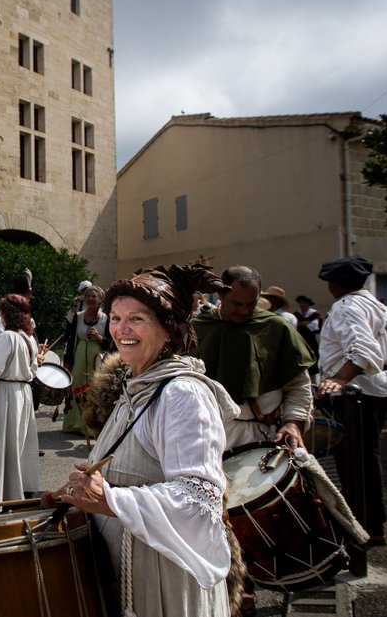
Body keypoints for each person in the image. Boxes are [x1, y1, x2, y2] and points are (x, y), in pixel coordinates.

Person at [60, 264, 240, 617]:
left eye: (136, 319)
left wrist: (110, 498)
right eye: (115, 318)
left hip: (164, 575)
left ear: (168, 328)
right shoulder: (137, 387)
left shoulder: (182, 394)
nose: (121, 329)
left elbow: (198, 499)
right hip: (127, 567)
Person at [190, 267, 314, 614]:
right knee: (209, 514)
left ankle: (253, 583)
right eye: (237, 304)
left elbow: (299, 385)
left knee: (251, 514)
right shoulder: (198, 330)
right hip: (208, 434)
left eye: (250, 304)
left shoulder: (275, 328)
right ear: (221, 295)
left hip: (259, 433)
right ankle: (221, 586)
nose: (245, 311)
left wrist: (293, 423)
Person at [316, 255, 387, 548]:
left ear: (334, 285)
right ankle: (371, 524)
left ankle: (363, 525)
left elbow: (362, 348)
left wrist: (341, 378)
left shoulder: (346, 307)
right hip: (381, 389)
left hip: (356, 394)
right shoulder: (376, 305)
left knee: (354, 463)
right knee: (367, 458)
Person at [0, 294, 41, 511]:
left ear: (8, 313)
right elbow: (34, 370)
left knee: (3, 445)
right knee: (17, 445)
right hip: (24, 392)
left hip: (6, 392)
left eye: (2, 311)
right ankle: (16, 492)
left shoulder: (7, 338)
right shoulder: (29, 339)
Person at [61, 284, 108, 435]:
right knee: (76, 389)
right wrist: (68, 361)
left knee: (94, 391)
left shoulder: (106, 319)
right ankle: (74, 424)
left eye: (94, 296)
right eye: (88, 296)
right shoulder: (79, 316)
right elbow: (70, 338)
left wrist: (100, 338)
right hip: (80, 356)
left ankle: (90, 426)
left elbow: (111, 342)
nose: (90, 299)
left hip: (97, 360)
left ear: (100, 299)